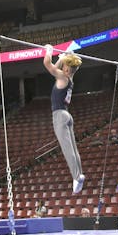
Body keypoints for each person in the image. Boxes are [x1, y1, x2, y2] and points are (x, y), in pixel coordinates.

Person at [43, 44, 84, 194]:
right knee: (74, 148)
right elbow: (59, 66)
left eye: (65, 65)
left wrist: (49, 50)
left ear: (66, 69)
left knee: (68, 149)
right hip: (67, 115)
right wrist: (64, 57)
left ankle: (76, 177)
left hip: (59, 115)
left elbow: (48, 64)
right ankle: (79, 174)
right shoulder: (70, 77)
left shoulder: (62, 77)